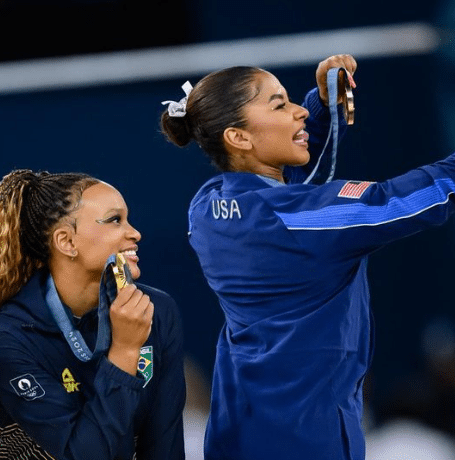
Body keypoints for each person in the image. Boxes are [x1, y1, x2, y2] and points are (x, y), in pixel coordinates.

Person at [159, 53, 455, 460]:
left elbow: (285, 183)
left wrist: (322, 102)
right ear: (238, 137)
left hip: (241, 430)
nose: (297, 111)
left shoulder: (206, 209)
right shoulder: (299, 221)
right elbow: (400, 200)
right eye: (279, 104)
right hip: (304, 436)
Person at [0, 170, 186, 460]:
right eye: (115, 220)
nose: (135, 233)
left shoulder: (156, 311)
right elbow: (84, 455)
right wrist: (125, 350)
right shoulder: (7, 340)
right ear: (67, 242)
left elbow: (165, 443)